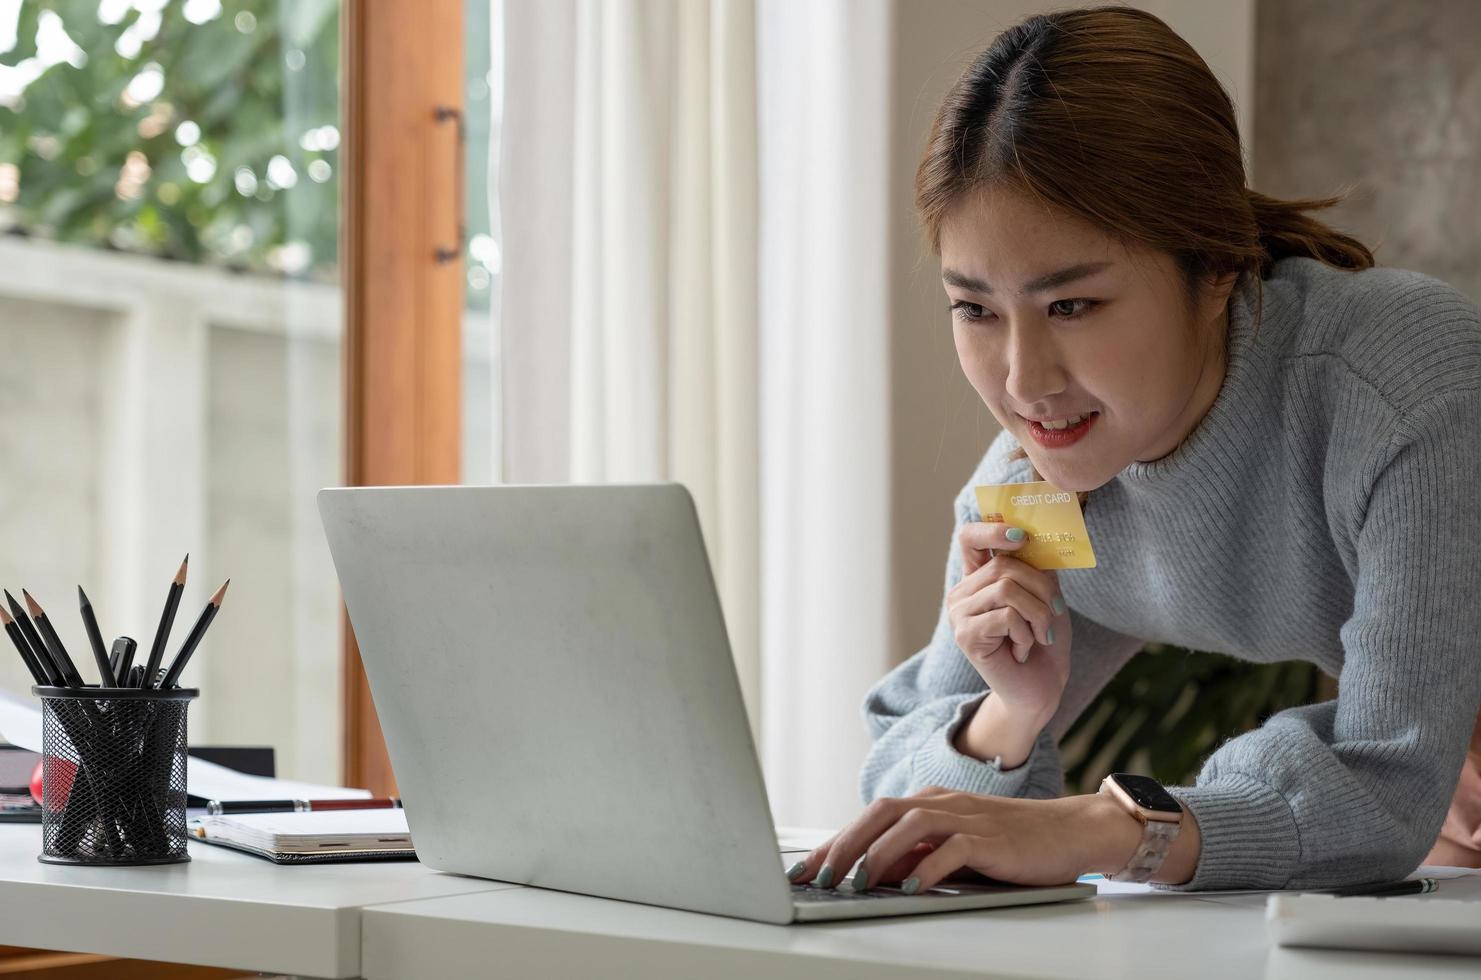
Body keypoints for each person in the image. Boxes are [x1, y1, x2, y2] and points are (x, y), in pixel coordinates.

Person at [784, 5, 1481, 895]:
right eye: (975, 310)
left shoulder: (1402, 382)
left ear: (1216, 263)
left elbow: (1384, 784)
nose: (1024, 381)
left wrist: (1106, 827)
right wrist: (1010, 713)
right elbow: (901, 792)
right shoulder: (1042, 484)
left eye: (1071, 306)